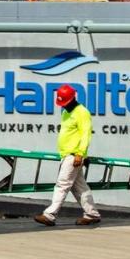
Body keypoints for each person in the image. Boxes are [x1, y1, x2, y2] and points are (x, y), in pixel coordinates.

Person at [34, 84, 102, 227]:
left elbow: (85, 134)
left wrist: (80, 154)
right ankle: (92, 214)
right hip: (66, 155)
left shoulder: (82, 112)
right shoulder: (65, 112)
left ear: (72, 99)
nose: (64, 105)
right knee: (80, 188)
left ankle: (50, 215)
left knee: (62, 184)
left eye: (65, 102)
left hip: (74, 155)